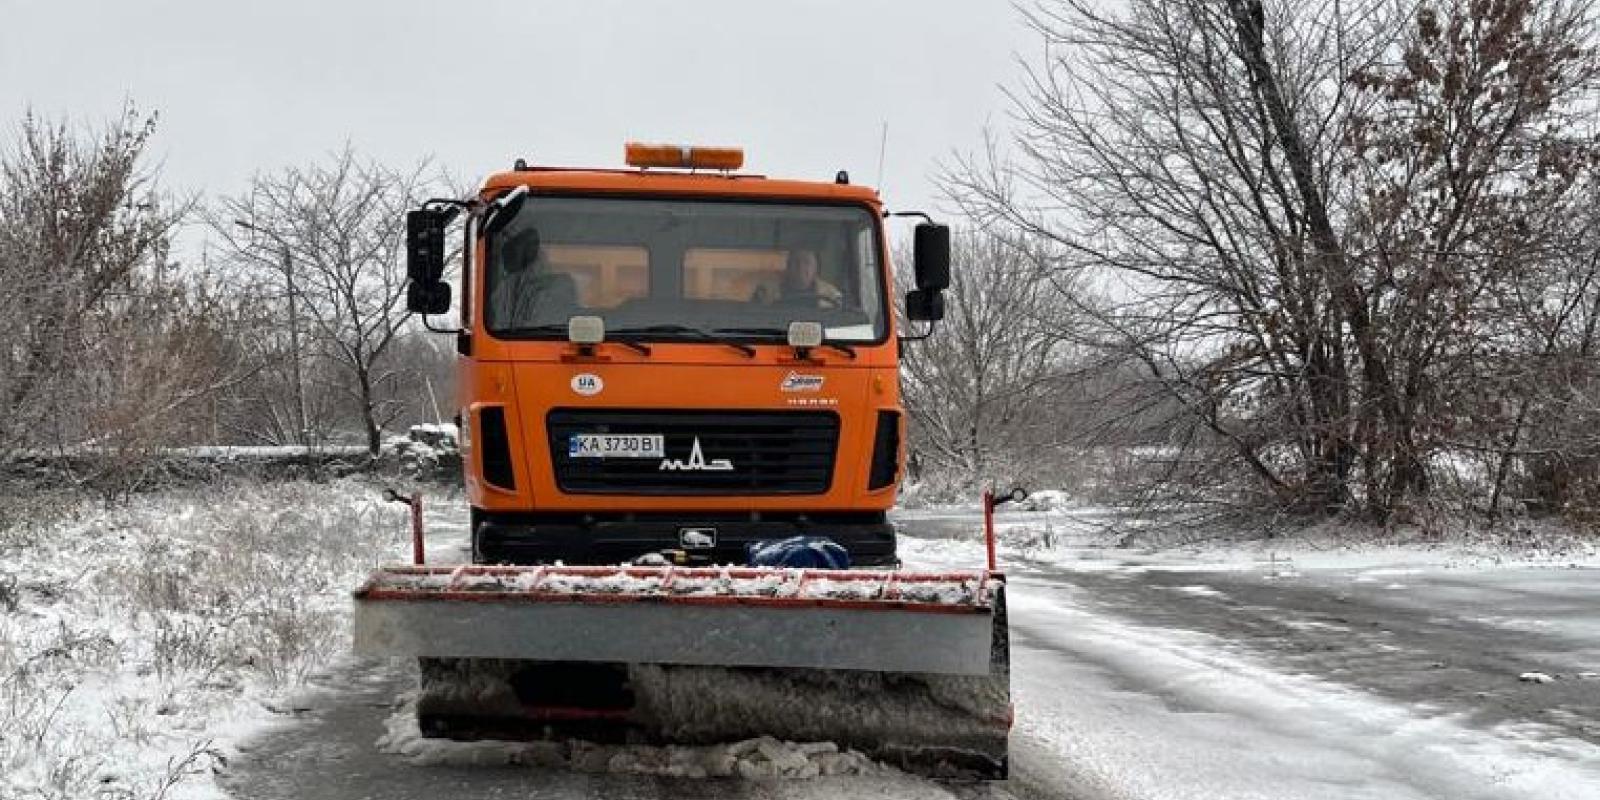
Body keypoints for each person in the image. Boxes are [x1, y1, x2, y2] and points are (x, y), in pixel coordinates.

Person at [754, 249, 842, 307]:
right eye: (796, 262)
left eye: (807, 262)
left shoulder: (831, 294)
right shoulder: (766, 291)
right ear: (788, 266)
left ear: (816, 268)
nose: (801, 268)